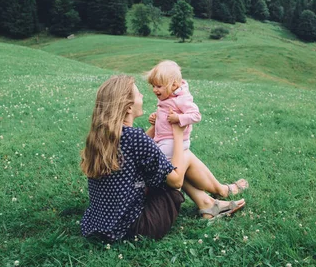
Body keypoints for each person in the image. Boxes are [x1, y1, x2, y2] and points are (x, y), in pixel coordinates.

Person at [80, 75, 246, 242]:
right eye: (138, 95)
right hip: (139, 227)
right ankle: (219, 192)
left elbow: (135, 152)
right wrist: (178, 134)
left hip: (101, 225)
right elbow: (176, 182)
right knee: (181, 159)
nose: (143, 96)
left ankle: (208, 203)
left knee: (165, 163)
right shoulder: (134, 138)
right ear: (129, 107)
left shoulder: (99, 136)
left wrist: (154, 128)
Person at [145, 60, 249, 199]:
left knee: (171, 170)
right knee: (181, 169)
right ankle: (214, 195)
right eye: (153, 86)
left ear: (174, 85)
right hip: (165, 139)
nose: (154, 90)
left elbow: (196, 115)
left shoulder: (182, 99)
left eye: (158, 86)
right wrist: (156, 118)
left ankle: (216, 192)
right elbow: (166, 113)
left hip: (173, 141)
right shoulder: (168, 95)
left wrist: (179, 119)